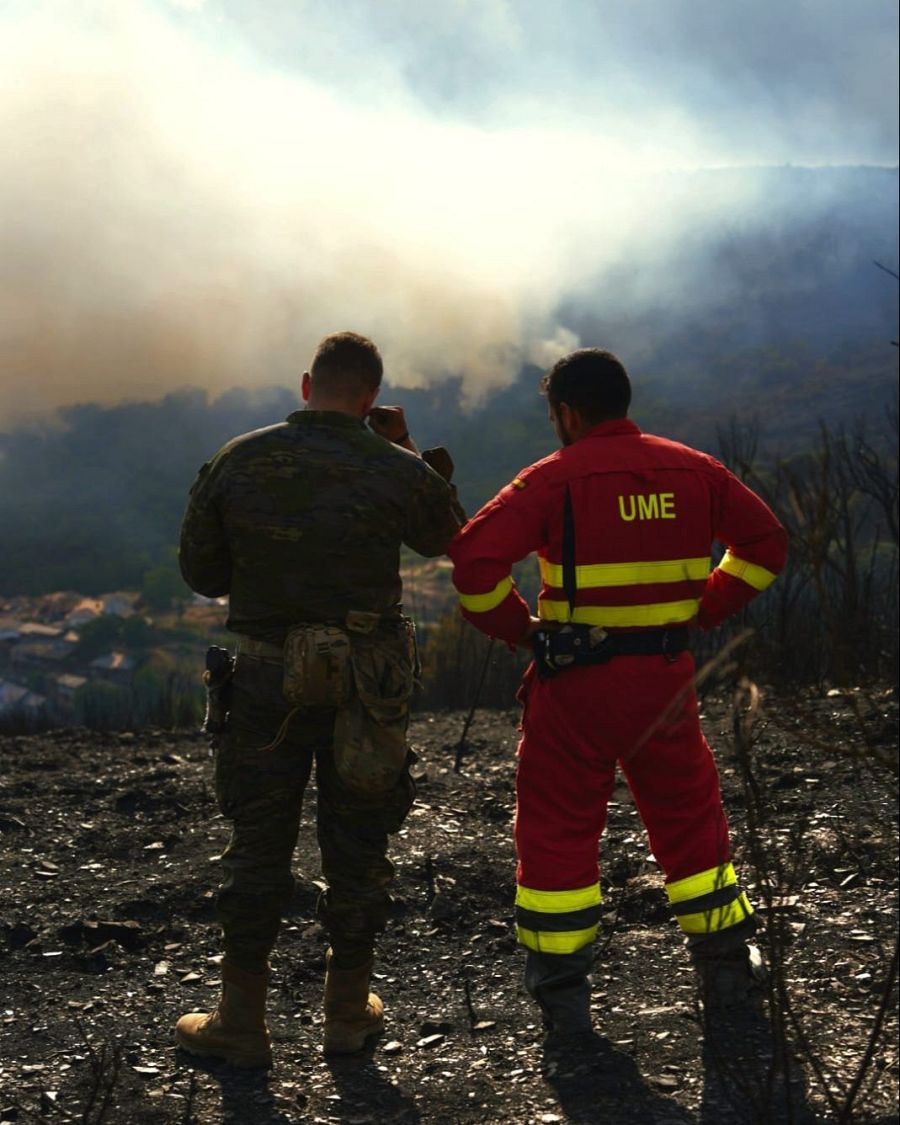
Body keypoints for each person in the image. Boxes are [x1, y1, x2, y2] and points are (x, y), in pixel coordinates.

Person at [449, 348, 787, 1046]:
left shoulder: (551, 479)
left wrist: (520, 628)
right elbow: (765, 543)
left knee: (557, 828)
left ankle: (563, 995)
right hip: (664, 679)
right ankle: (725, 972)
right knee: (692, 819)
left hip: (574, 685)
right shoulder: (695, 471)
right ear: (623, 402)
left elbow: (474, 562)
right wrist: (704, 606)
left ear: (567, 413)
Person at [175, 330, 465, 1068]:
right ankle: (345, 1013)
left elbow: (202, 574)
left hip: (267, 681)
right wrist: (406, 445)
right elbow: (447, 538)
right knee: (360, 844)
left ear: (307, 385)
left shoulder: (239, 458)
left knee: (259, 846)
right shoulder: (393, 465)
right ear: (371, 399)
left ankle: (241, 1019)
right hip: (368, 684)